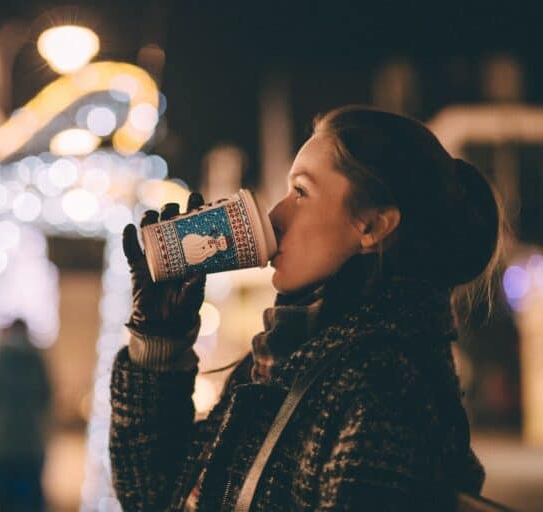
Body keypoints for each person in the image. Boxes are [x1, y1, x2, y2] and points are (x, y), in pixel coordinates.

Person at [110, 106, 504, 511]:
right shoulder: (283, 358)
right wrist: (159, 341)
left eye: (301, 192)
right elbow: (153, 496)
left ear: (372, 226)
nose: (276, 215)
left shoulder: (383, 384)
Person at [0, 319, 52, 512]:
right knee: (30, 495)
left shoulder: (2, 356)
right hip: (31, 439)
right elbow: (46, 394)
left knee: (5, 496)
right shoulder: (36, 357)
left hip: (5, 439)